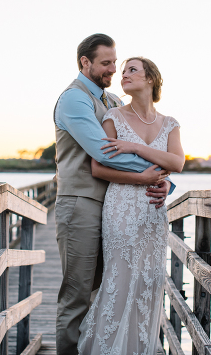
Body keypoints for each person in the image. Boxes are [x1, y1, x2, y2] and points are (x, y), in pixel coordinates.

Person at [54, 34, 174, 355]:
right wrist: (156, 176)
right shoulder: (74, 99)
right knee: (77, 292)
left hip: (113, 207)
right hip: (80, 204)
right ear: (85, 62)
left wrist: (158, 180)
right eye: (106, 63)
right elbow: (104, 152)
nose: (112, 70)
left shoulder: (112, 103)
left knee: (108, 289)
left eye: (114, 63)